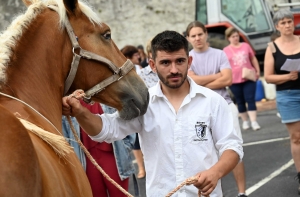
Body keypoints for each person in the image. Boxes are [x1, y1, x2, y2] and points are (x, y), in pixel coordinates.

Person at [62, 30, 243, 197]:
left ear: (189, 62)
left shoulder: (213, 101)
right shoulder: (143, 103)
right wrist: (80, 113)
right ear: (152, 65)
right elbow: (107, 129)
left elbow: (232, 147)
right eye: (165, 62)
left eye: (179, 61)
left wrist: (215, 172)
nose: (174, 70)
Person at [186, 21, 248, 197]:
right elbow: (192, 82)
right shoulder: (187, 57)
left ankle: (242, 192)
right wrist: (216, 76)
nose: (197, 38)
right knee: (205, 154)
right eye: (193, 35)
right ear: (188, 38)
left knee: (234, 150)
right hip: (200, 110)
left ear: (206, 34)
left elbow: (227, 80)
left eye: (200, 34)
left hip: (226, 106)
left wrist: (201, 80)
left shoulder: (219, 54)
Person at [264, 9, 300, 194]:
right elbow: (268, 77)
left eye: (289, 21)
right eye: (283, 23)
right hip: (287, 96)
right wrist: (287, 77)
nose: (287, 25)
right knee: (296, 137)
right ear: (277, 26)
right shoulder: (272, 47)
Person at [79, 101, 137, 197]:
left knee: (119, 194)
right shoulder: (70, 99)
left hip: (113, 155)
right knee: (96, 194)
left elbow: (127, 116)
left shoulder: (106, 92)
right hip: (86, 158)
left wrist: (126, 146)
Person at [223, 27, 261, 131]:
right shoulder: (225, 50)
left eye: (237, 36)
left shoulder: (246, 46)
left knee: (250, 99)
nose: (235, 38)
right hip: (234, 80)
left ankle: (254, 121)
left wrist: (257, 70)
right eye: (233, 36)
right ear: (228, 38)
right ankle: (245, 121)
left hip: (248, 77)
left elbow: (253, 58)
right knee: (240, 101)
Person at [121, 44, 146, 178]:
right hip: (131, 107)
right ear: (129, 57)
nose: (139, 56)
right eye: (136, 55)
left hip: (142, 106)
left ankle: (147, 165)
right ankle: (141, 168)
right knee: (135, 141)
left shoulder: (139, 69)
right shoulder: (123, 71)